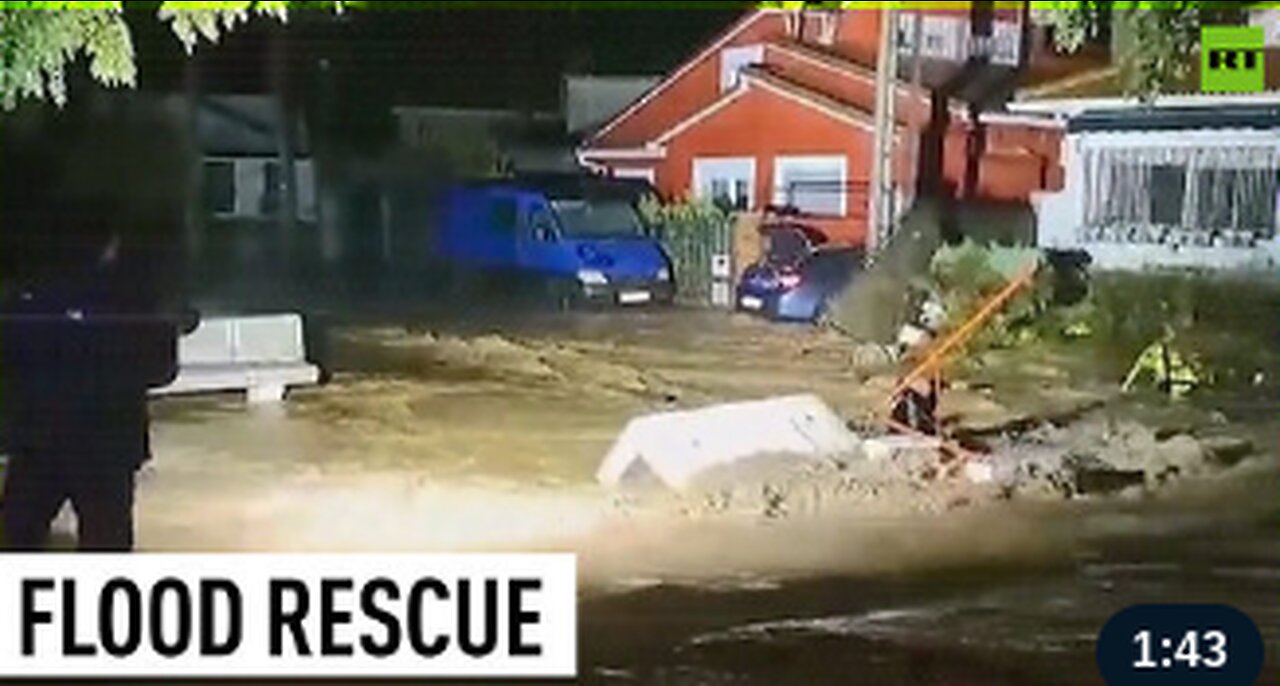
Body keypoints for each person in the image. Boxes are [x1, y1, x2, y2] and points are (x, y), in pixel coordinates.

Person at [0, 209, 181, 552]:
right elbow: (162, 370)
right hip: (106, 443)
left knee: (17, 534)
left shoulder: (35, 297)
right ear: (112, 246)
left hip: (42, 439)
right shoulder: (137, 300)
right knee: (105, 541)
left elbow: (10, 358)